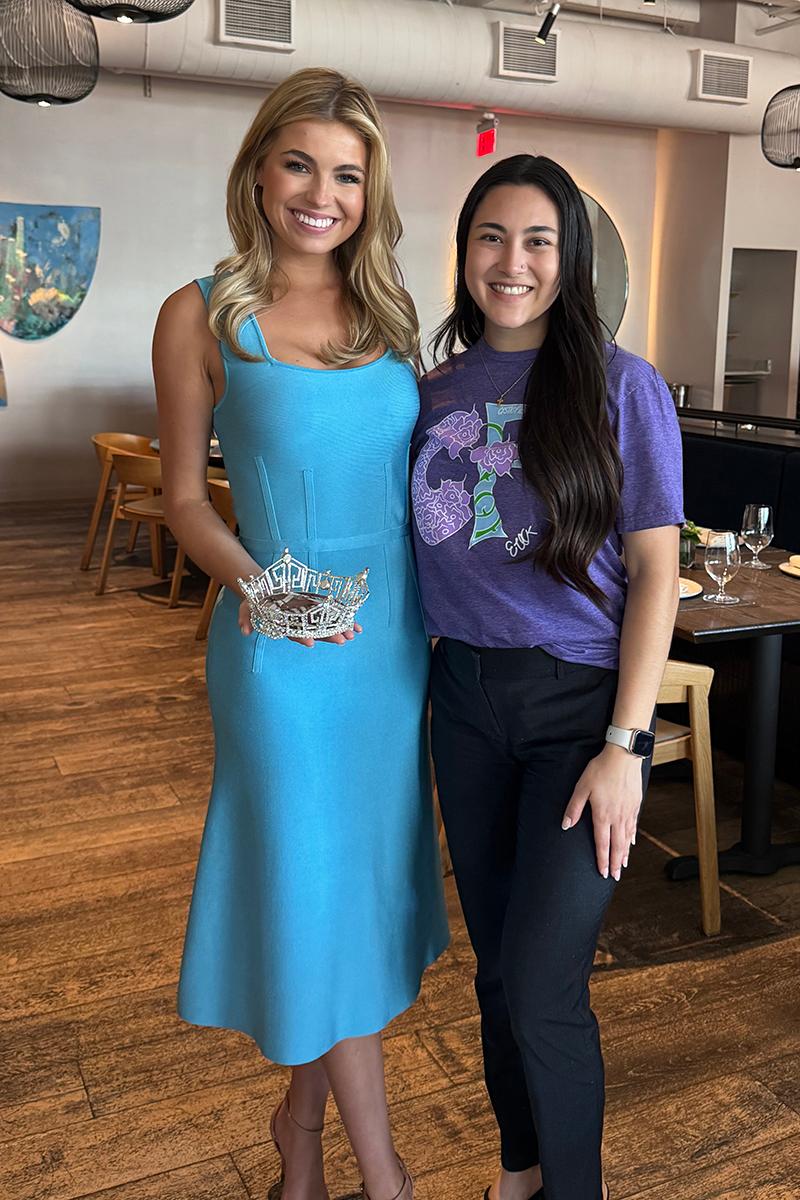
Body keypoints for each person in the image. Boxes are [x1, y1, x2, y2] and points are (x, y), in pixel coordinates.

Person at [153, 67, 448, 1200]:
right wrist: (264, 591)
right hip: (277, 646)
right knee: (312, 885)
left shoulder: (388, 318)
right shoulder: (202, 313)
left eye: (346, 173)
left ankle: (300, 1133)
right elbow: (185, 501)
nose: (320, 193)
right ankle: (387, 1179)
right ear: (258, 168)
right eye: (299, 164)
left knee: (355, 896)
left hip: (390, 654)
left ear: (367, 193)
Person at [410, 154, 683, 1200]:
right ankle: (516, 1175)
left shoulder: (622, 383)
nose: (510, 261)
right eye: (490, 237)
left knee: (541, 984)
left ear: (569, 258)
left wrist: (626, 745)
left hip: (580, 713)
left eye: (536, 240)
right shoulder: (430, 395)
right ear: (463, 252)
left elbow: (654, 570)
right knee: (493, 976)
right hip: (462, 704)